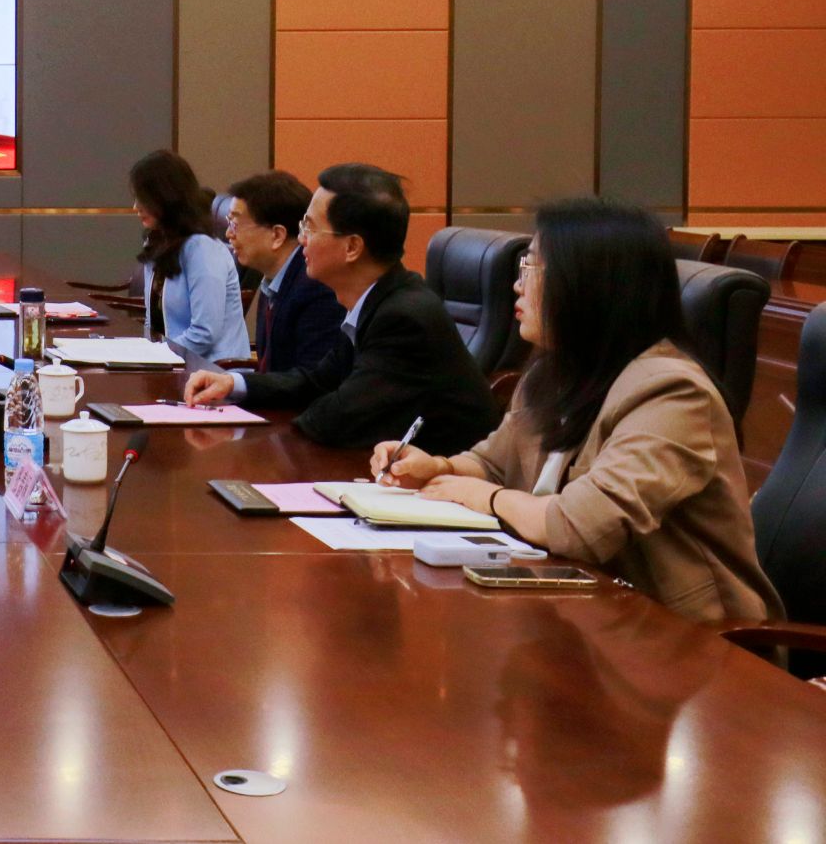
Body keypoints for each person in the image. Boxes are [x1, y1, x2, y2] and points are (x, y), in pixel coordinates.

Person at [370, 197, 781, 625]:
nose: (517, 285)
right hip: (581, 610)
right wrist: (438, 468)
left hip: (686, 636)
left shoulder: (671, 393)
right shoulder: (554, 371)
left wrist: (484, 498)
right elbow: (493, 464)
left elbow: (580, 528)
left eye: (532, 268)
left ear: (589, 284)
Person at [185, 162, 497, 452]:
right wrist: (234, 383)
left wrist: (260, 438)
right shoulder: (374, 301)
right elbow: (316, 382)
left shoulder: (403, 319)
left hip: (444, 484)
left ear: (352, 247)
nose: (301, 240)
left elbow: (341, 416)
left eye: (309, 227)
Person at [127, 150, 250, 361]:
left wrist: (155, 355)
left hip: (214, 370)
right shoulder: (157, 242)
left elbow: (204, 334)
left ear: (166, 197)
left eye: (143, 198)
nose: (136, 207)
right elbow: (152, 322)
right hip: (173, 363)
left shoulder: (202, 249)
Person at [225, 169, 345, 374]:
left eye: (235, 224)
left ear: (277, 235)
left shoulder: (316, 288)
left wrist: (240, 384)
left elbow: (311, 378)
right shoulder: (272, 281)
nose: (228, 234)